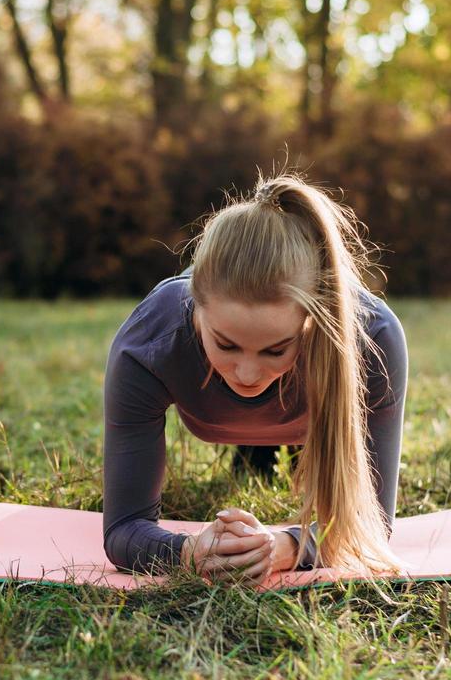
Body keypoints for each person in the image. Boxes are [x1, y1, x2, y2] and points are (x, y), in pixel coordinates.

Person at [102, 173, 406, 582]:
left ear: (311, 322)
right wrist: (190, 552)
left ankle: (275, 442)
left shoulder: (373, 340)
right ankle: (258, 443)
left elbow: (372, 525)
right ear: (195, 305)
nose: (247, 374)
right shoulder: (149, 344)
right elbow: (123, 528)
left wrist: (283, 548)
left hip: (306, 406)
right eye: (226, 345)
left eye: (275, 349)